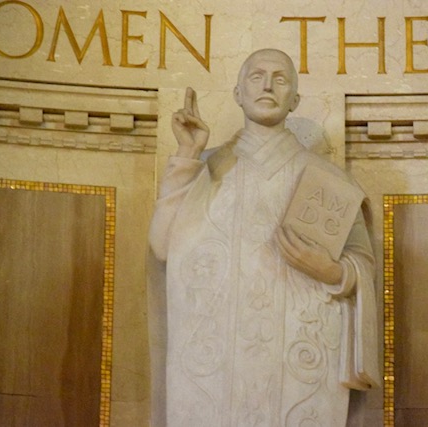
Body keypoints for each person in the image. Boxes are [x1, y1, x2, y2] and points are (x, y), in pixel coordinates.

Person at [149, 48, 378, 426]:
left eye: (281, 78)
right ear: (238, 93)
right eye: (256, 76)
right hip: (216, 364)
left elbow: (362, 265)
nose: (268, 85)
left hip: (297, 362)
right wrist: (187, 155)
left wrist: (332, 272)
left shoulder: (328, 180)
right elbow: (163, 246)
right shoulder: (204, 167)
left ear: (295, 101)